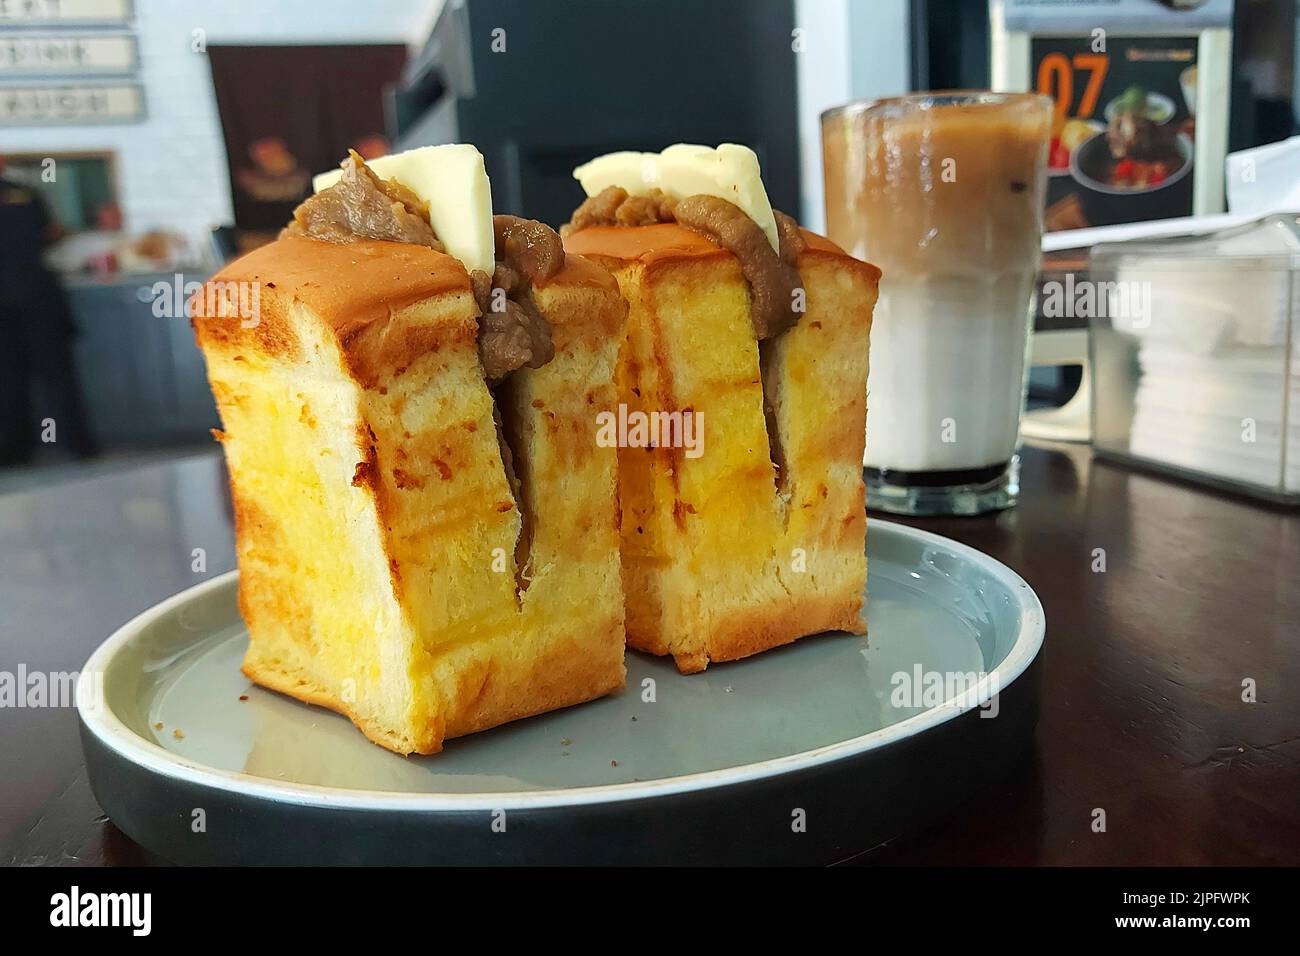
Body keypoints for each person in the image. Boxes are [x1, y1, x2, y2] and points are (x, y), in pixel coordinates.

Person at [0, 157, 98, 466]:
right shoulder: (26, 193)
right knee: (59, 376)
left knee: (8, 381)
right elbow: (51, 232)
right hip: (38, 294)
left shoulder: (26, 193)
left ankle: (14, 453)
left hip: (8, 304)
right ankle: (79, 445)